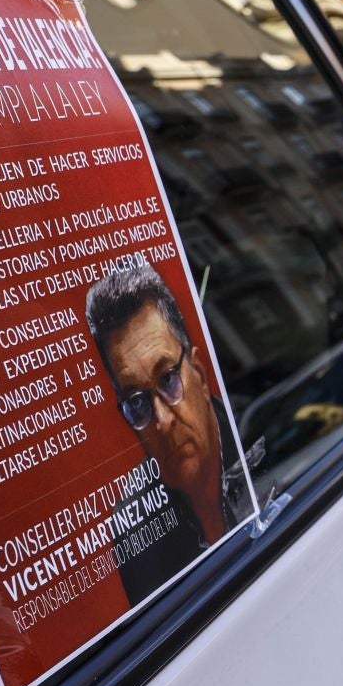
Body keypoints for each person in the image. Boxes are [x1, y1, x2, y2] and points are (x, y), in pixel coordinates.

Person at [86, 256, 254, 604]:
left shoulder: (257, 436)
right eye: (136, 402)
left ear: (201, 375)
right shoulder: (136, 530)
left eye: (167, 379)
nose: (161, 420)